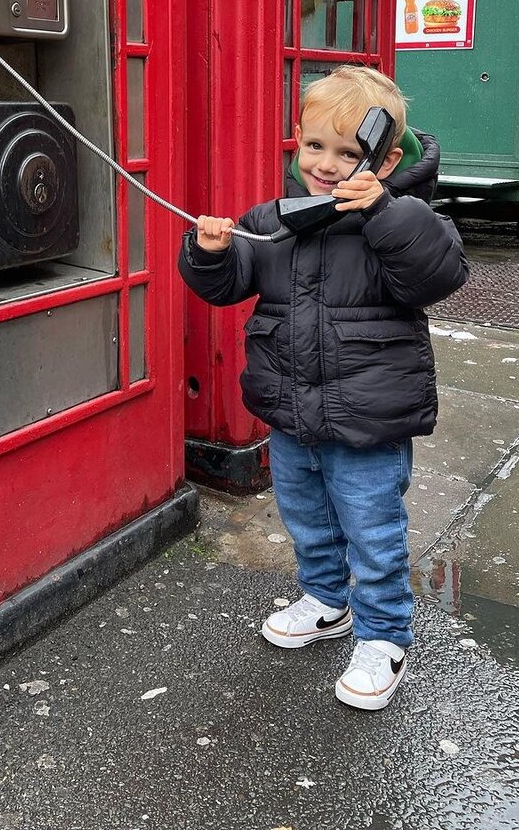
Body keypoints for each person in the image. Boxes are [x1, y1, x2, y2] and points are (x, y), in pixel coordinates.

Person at [177, 65, 468, 710]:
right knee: (305, 517)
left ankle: (384, 633)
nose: (327, 165)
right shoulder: (275, 219)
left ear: (387, 159)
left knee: (373, 527)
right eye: (315, 146)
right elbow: (226, 286)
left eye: (348, 151)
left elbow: (437, 274)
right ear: (296, 143)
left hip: (368, 417)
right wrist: (210, 251)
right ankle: (327, 597)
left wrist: (383, 213)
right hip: (290, 412)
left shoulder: (406, 217)